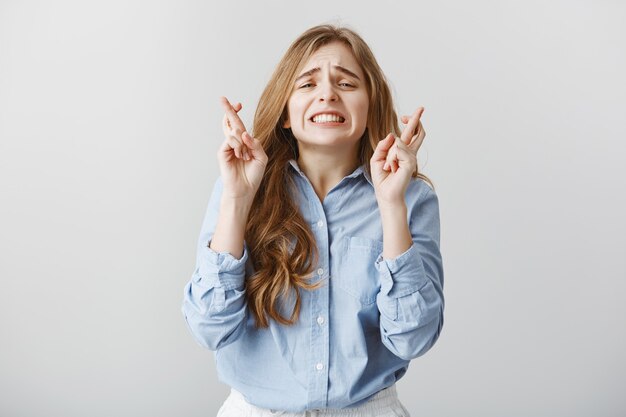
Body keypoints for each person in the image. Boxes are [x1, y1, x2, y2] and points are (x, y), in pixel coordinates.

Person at [181, 23, 444, 417]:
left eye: (347, 83)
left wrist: (391, 205)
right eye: (307, 84)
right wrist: (237, 200)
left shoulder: (412, 199)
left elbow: (413, 339)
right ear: (286, 114)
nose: (327, 94)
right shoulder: (237, 189)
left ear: (370, 106)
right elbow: (209, 328)